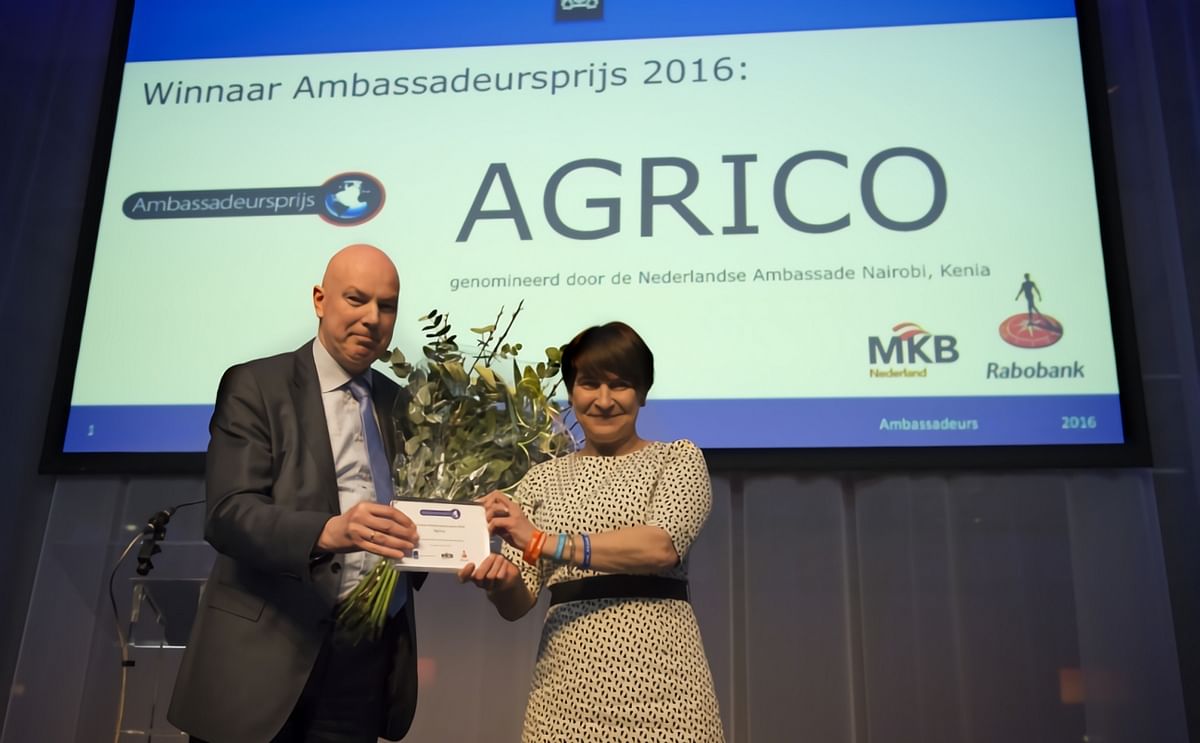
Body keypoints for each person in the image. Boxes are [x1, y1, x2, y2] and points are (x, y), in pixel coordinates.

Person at [169, 244, 423, 743]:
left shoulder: (404, 404)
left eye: (387, 306)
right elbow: (228, 513)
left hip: (363, 665)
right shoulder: (256, 385)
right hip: (262, 654)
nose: (372, 318)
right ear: (319, 299)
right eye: (356, 299)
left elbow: (420, 508)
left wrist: (461, 536)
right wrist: (329, 531)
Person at [459, 321, 725, 742]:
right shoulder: (540, 480)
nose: (603, 400)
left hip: (668, 694)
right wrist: (497, 580)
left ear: (642, 392)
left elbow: (659, 548)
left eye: (620, 385)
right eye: (589, 384)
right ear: (571, 390)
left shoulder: (677, 459)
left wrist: (544, 542)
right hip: (564, 698)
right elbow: (518, 602)